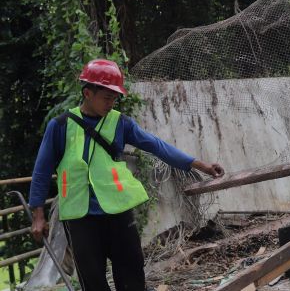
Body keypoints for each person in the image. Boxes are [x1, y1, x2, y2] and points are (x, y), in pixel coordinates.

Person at [29, 59, 225, 291]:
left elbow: (157, 146)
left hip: (118, 212)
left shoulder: (120, 123)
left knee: (132, 276)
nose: (111, 103)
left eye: (114, 98)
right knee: (92, 282)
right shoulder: (60, 126)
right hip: (80, 217)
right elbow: (41, 172)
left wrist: (200, 165)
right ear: (87, 93)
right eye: (106, 97)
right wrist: (38, 215)